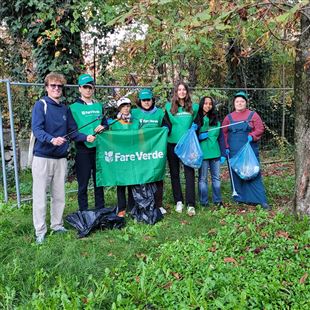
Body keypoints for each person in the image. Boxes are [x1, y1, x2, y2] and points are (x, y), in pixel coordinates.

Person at [31, 72, 96, 244]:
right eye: (53, 86)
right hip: (42, 157)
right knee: (40, 196)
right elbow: (37, 129)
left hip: (60, 159)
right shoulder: (41, 105)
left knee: (58, 195)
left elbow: (73, 131)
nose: (56, 89)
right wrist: (51, 139)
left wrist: (86, 137)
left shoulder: (65, 109)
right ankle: (40, 231)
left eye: (59, 86)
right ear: (47, 88)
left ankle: (57, 225)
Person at [222, 91, 271, 210]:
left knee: (253, 173)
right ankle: (239, 198)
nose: (239, 103)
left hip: (249, 151)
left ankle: (260, 200)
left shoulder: (253, 115)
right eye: (237, 101)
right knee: (236, 173)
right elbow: (223, 134)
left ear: (246, 103)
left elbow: (260, 128)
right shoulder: (228, 118)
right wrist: (226, 148)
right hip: (233, 151)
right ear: (234, 103)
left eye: (242, 101)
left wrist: (253, 136)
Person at [68, 74, 108, 211]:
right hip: (83, 150)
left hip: (99, 150)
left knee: (99, 182)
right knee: (83, 184)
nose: (88, 90)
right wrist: (85, 138)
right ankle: (84, 212)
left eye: (91, 87)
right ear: (79, 88)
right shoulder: (73, 108)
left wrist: (104, 127)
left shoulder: (99, 106)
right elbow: (71, 132)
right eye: (85, 87)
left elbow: (106, 123)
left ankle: (100, 209)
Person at [164, 81, 199, 216]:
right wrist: (165, 128)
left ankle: (191, 204)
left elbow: (198, 121)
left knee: (189, 173)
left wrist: (195, 126)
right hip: (172, 144)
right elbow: (165, 122)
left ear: (187, 92)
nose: (181, 92)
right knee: (174, 173)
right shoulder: (168, 107)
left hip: (188, 145)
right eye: (179, 90)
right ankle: (179, 201)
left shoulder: (193, 107)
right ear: (176, 92)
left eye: (184, 90)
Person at [131, 88, 169, 215]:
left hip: (155, 151)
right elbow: (125, 123)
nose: (147, 102)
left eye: (149, 100)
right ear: (140, 101)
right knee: (141, 177)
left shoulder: (159, 113)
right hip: (140, 151)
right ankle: (143, 203)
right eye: (144, 100)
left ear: (153, 100)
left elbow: (167, 126)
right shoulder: (134, 113)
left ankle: (158, 204)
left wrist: (165, 129)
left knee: (157, 176)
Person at [110, 97, 139, 217]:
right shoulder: (114, 123)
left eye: (128, 106)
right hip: (120, 156)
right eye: (123, 106)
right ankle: (121, 208)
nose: (126, 108)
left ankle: (132, 207)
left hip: (132, 155)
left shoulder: (136, 121)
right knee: (121, 183)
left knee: (132, 181)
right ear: (119, 108)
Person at [194, 96, 224, 208]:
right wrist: (199, 136)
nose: (208, 105)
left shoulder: (216, 119)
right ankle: (204, 202)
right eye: (206, 103)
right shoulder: (196, 119)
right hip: (203, 154)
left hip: (215, 153)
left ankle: (218, 201)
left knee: (216, 178)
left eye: (210, 104)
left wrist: (223, 154)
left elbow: (220, 138)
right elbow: (191, 137)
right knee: (203, 179)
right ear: (202, 104)